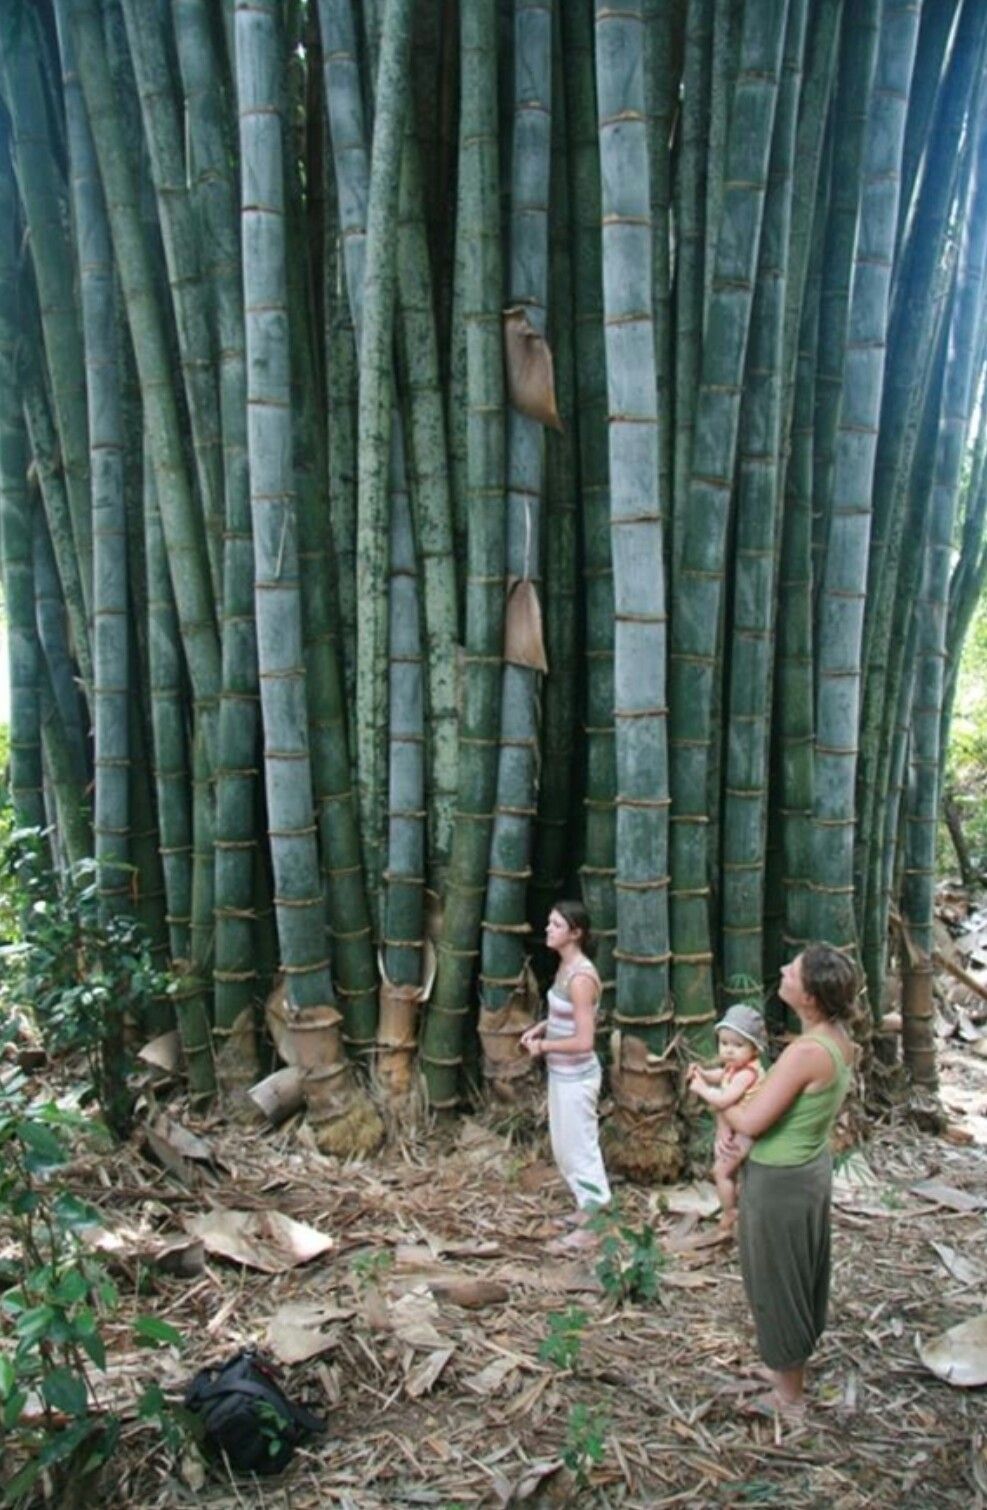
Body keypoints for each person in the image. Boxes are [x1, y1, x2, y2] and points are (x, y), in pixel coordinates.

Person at [718, 944, 856, 1418]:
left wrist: (713, 1099)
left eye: (792, 972)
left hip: (780, 1183)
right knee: (798, 1273)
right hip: (806, 1170)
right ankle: (785, 1368)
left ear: (811, 998)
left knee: (776, 1279)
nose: (781, 970)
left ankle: (788, 1397)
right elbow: (790, 1115)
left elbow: (753, 1118)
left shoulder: (804, 1053)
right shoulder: (839, 1039)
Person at [520, 900, 611, 1250]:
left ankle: (597, 1222)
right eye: (549, 922)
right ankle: (586, 1209)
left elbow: (585, 1040)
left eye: (556, 925)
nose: (548, 929)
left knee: (581, 1150)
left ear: (576, 933)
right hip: (562, 1075)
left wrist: (544, 1048)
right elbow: (565, 1016)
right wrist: (541, 1028)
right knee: (565, 1148)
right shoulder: (564, 968)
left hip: (577, 1077)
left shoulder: (581, 978)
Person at [686, 1003, 767, 1232]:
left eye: (738, 1045)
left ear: (755, 1049)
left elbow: (724, 1099)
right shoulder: (735, 1068)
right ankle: (736, 1206)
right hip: (735, 1128)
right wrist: (703, 1073)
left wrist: (701, 1089)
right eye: (724, 1043)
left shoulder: (747, 1074)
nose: (729, 1050)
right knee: (733, 1172)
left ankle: (730, 1212)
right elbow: (719, 1076)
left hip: (745, 1132)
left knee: (720, 1172)